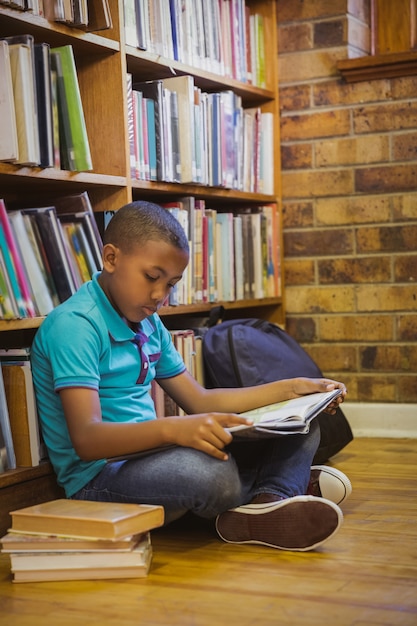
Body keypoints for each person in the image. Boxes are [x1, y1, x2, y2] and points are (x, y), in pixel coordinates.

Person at [31, 201, 351, 552]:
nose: (159, 296)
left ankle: (268, 501)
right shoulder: (75, 326)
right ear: (111, 258)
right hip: (99, 479)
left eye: (171, 284)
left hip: (154, 454)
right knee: (211, 474)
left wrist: (290, 389)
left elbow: (199, 400)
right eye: (152, 277)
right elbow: (88, 440)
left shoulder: (147, 321)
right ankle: (283, 486)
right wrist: (174, 429)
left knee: (303, 423)